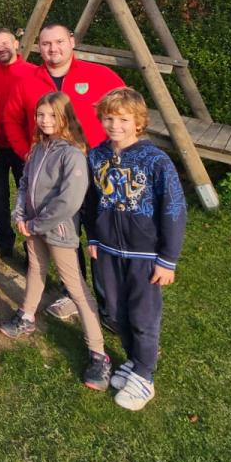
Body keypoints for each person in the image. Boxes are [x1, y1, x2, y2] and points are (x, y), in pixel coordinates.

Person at [2, 22, 125, 321]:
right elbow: (10, 120)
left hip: (98, 173)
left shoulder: (100, 75)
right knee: (66, 235)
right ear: (39, 47)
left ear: (71, 41)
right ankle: (72, 293)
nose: (52, 49)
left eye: (58, 42)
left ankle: (108, 307)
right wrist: (28, 153)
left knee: (100, 236)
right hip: (54, 179)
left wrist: (121, 149)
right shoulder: (27, 81)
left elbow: (127, 110)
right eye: (46, 44)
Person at [0, 93, 112, 391]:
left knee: (75, 287)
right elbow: (24, 183)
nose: (45, 121)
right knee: (36, 269)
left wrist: (35, 224)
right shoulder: (38, 148)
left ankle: (98, 353)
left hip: (57, 232)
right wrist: (20, 213)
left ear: (65, 117)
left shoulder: (72, 154)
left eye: (52, 115)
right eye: (40, 115)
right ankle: (26, 316)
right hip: (32, 226)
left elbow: (68, 201)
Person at [87, 88, 187, 411]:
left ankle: (145, 375)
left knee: (143, 316)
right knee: (116, 312)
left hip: (144, 254)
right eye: (108, 118)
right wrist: (93, 238)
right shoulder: (97, 156)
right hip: (108, 249)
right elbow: (91, 201)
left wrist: (168, 260)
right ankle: (133, 360)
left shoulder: (155, 160)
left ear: (139, 122)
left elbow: (174, 209)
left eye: (123, 120)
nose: (114, 126)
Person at [0, 29, 35, 258]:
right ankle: (4, 239)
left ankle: (32, 248)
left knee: (30, 198)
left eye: (4, 43)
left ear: (16, 44)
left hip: (25, 148)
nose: (0, 48)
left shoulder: (33, 72)